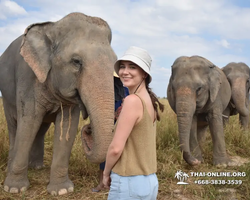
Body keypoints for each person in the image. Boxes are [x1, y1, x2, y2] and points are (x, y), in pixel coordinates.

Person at [103, 46, 164, 200]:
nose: (125, 71)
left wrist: (106, 172)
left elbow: (116, 149)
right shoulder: (149, 101)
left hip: (128, 181)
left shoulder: (132, 101)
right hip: (149, 182)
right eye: (122, 66)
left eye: (132, 67)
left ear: (144, 73)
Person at [91, 71, 129, 192]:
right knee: (104, 155)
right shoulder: (103, 92)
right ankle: (102, 184)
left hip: (122, 128)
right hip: (106, 128)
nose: (114, 81)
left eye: (116, 79)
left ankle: (117, 185)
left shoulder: (126, 91)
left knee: (122, 156)